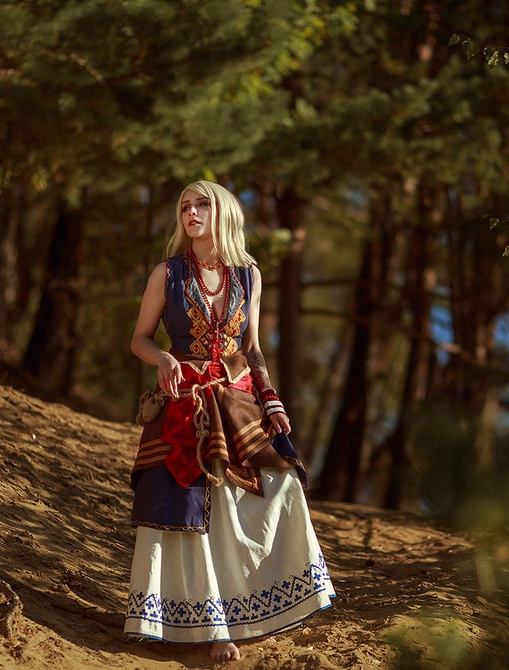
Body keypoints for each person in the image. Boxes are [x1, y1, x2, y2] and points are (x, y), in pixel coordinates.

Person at [124, 180, 336, 662]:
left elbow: (253, 347)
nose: (191, 212)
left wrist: (271, 399)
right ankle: (213, 626)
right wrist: (162, 357)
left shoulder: (248, 275)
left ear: (223, 211)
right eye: (185, 205)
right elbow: (139, 338)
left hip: (237, 400)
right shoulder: (167, 272)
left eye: (202, 204)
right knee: (190, 506)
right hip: (184, 401)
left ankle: (260, 608)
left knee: (279, 486)